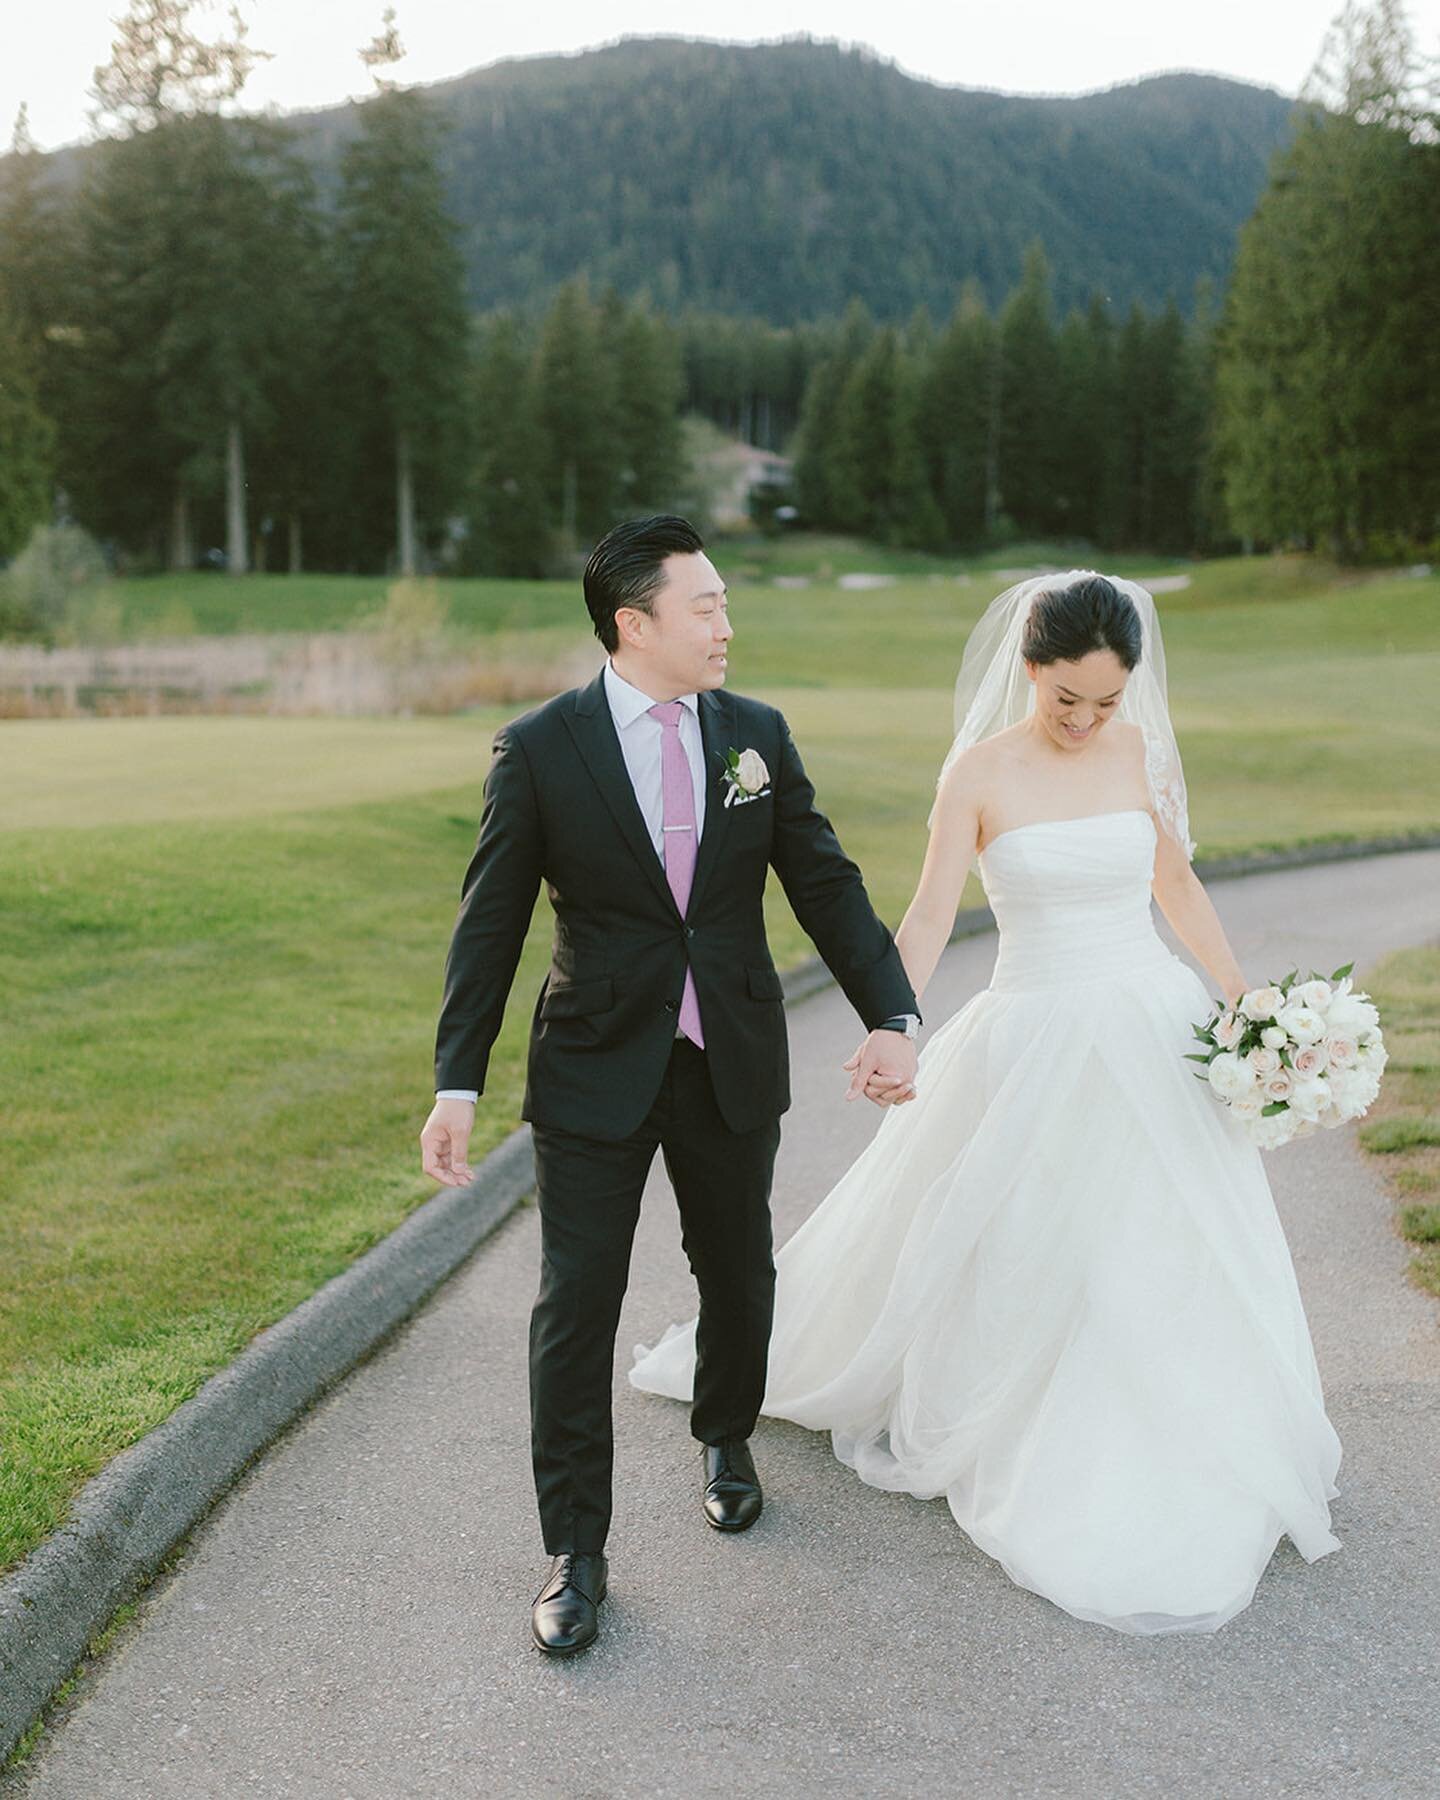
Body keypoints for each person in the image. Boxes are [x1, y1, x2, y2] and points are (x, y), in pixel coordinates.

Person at [631, 570, 1342, 1635]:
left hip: (1153, 1025)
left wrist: (1249, 1008)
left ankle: (1181, 1422)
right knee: (1035, 1241)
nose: (1089, 720)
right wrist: (891, 1022)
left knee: (1166, 1236)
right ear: (1031, 669)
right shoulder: (977, 775)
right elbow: (924, 921)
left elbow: (1175, 886)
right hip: (1035, 1031)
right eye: (1069, 699)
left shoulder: (1134, 752)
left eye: (1107, 700)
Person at [420, 515, 920, 1656]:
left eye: (726, 604)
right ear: (633, 623)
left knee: (739, 1269)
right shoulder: (541, 748)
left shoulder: (756, 735)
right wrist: (458, 1082)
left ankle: (726, 1434)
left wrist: (891, 1013)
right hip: (593, 1064)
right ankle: (576, 1553)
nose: (726, 625)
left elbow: (827, 885)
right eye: (705, 607)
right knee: (573, 1305)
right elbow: (487, 928)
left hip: (728, 1055)